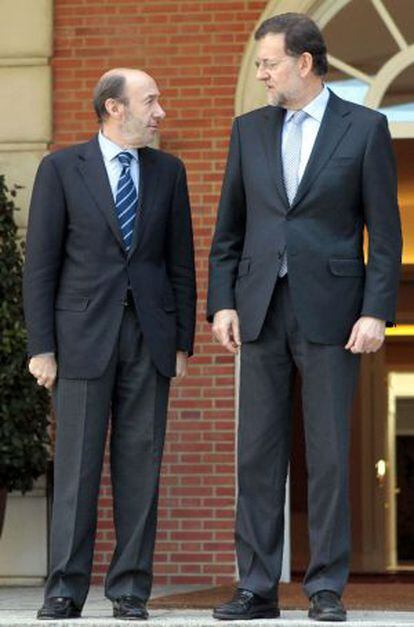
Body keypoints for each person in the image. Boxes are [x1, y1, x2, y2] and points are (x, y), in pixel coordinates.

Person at [208, 13, 401, 623]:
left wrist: (376, 311)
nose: (261, 73)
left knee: (328, 453)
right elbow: (228, 231)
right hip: (260, 306)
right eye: (261, 64)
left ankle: (325, 588)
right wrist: (222, 302)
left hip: (334, 312)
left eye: (268, 62)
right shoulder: (248, 131)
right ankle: (257, 587)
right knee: (257, 455)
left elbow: (386, 236)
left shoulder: (365, 128)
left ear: (305, 63)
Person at [23, 68, 196, 621]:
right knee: (75, 468)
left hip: (150, 337)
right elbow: (41, 265)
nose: (160, 111)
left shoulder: (169, 172)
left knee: (139, 467)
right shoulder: (60, 168)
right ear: (114, 108)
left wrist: (182, 341)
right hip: (79, 339)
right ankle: (65, 589)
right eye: (151, 101)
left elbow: (180, 263)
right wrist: (42, 346)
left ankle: (129, 590)